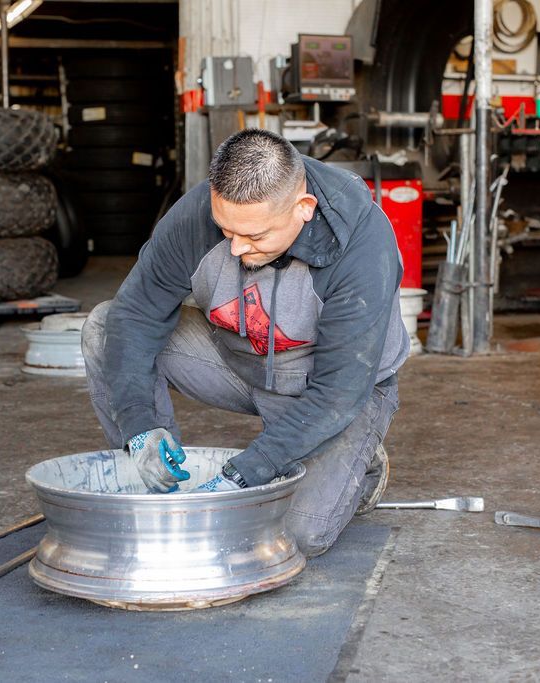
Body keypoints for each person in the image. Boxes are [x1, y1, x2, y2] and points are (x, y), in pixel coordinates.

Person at [82, 129, 409, 557]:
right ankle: (153, 484)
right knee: (104, 327)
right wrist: (139, 426)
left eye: (255, 237)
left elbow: (339, 391)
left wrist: (244, 473)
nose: (236, 248)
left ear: (303, 209)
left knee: (291, 537)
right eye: (226, 230)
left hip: (336, 392)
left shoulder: (361, 244)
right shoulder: (198, 214)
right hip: (238, 361)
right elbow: (136, 315)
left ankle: (361, 463)